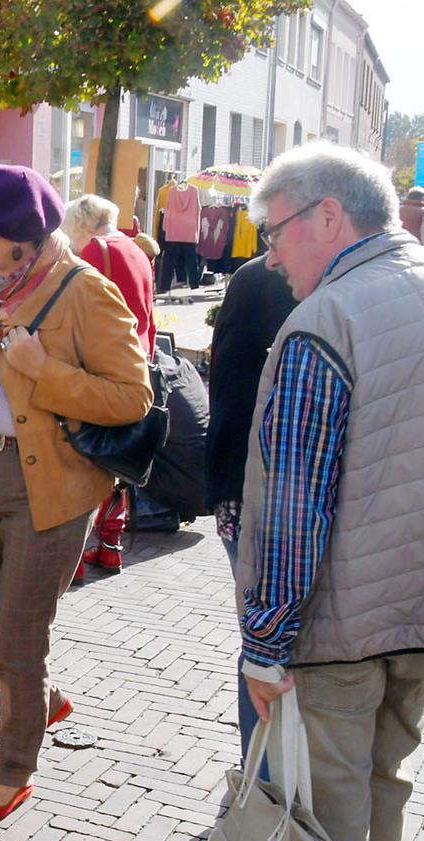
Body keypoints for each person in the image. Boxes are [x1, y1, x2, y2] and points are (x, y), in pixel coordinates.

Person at [236, 143, 424, 841]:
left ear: (327, 217)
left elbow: (294, 504)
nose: (269, 256)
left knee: (333, 798)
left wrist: (266, 643)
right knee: (387, 780)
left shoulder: (325, 323)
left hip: (341, 621)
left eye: (274, 232)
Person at [0, 166, 152, 824]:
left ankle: (13, 765)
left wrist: (44, 370)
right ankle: (39, 694)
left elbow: (133, 396)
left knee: (22, 638)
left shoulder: (84, 292)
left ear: (17, 239)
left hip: (53, 487)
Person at [203, 254, 297, 761]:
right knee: (265, 641)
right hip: (254, 496)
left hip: (278, 496)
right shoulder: (261, 278)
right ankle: (258, 779)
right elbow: (232, 394)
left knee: (275, 642)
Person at [62, 194, 158, 582]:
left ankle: (82, 552)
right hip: (139, 364)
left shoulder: (98, 251)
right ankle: (110, 545)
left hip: (105, 365)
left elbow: (82, 308)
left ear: (82, 224)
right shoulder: (135, 249)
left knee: (90, 457)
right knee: (117, 460)